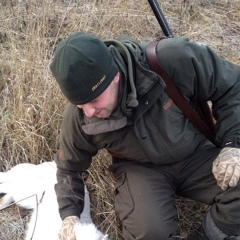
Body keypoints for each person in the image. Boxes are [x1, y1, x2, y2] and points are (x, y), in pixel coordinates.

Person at [50, 32, 240, 240]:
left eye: (94, 100)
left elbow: (232, 85)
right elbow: (69, 169)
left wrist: (234, 143)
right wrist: (70, 215)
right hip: (142, 170)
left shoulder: (171, 60)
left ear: (115, 76)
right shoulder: (80, 117)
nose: (88, 112)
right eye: (79, 103)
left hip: (197, 152)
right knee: (148, 232)